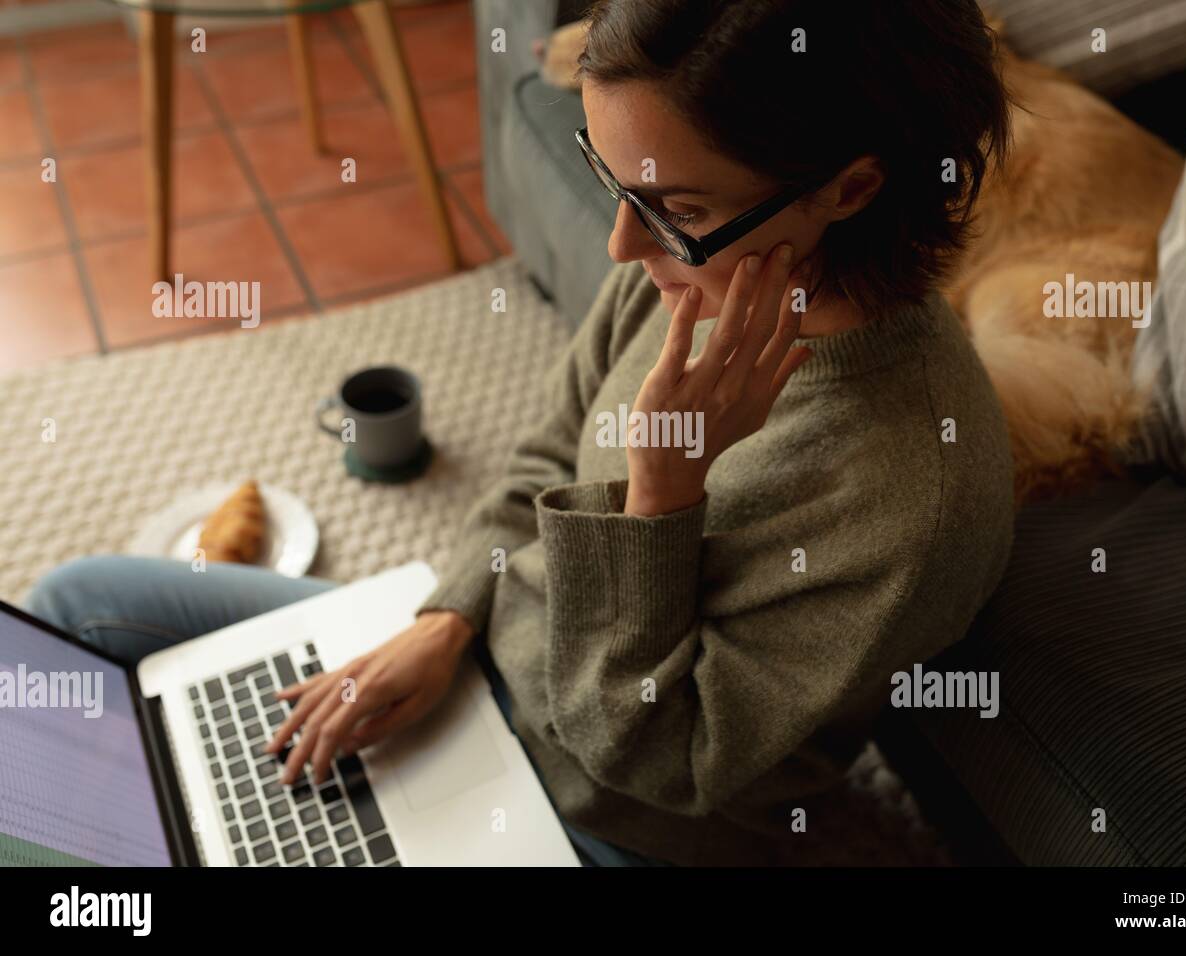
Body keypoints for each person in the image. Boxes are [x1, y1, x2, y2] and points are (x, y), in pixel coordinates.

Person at [25, 0, 1016, 866]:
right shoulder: (685, 271)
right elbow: (539, 460)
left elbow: (651, 758)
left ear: (847, 189)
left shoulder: (913, 489)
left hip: (605, 824)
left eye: (675, 207)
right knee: (76, 607)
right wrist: (447, 620)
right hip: (471, 670)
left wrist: (660, 494)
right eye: (614, 181)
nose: (623, 246)